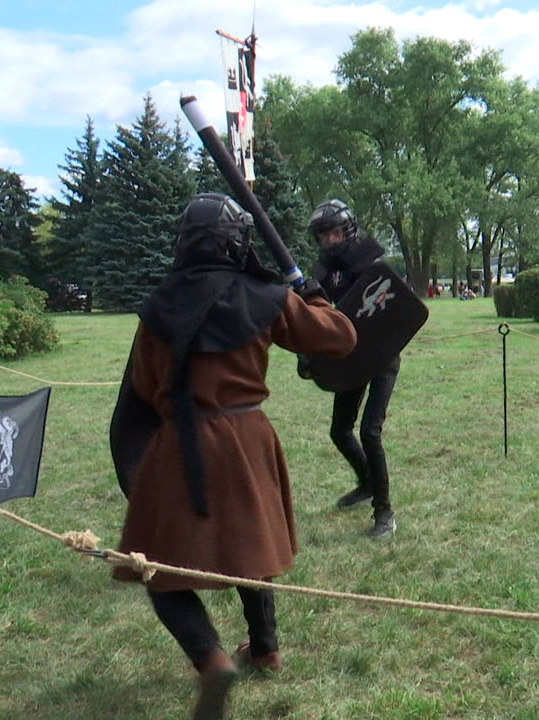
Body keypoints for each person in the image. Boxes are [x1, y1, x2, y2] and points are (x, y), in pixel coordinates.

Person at [110, 194, 357, 719]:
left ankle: (212, 658)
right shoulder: (265, 296)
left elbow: (145, 384)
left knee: (158, 569)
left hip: (181, 441)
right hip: (247, 439)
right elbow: (341, 336)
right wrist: (308, 295)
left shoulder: (159, 304)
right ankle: (265, 650)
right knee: (251, 550)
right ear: (237, 242)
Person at [305, 199, 400, 538]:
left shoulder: (370, 262)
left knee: (369, 431)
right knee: (340, 430)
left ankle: (384, 512)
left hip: (382, 356)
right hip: (352, 356)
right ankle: (367, 484)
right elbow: (316, 313)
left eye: (333, 233)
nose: (329, 241)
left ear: (348, 230)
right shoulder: (325, 270)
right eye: (323, 236)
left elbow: (389, 312)